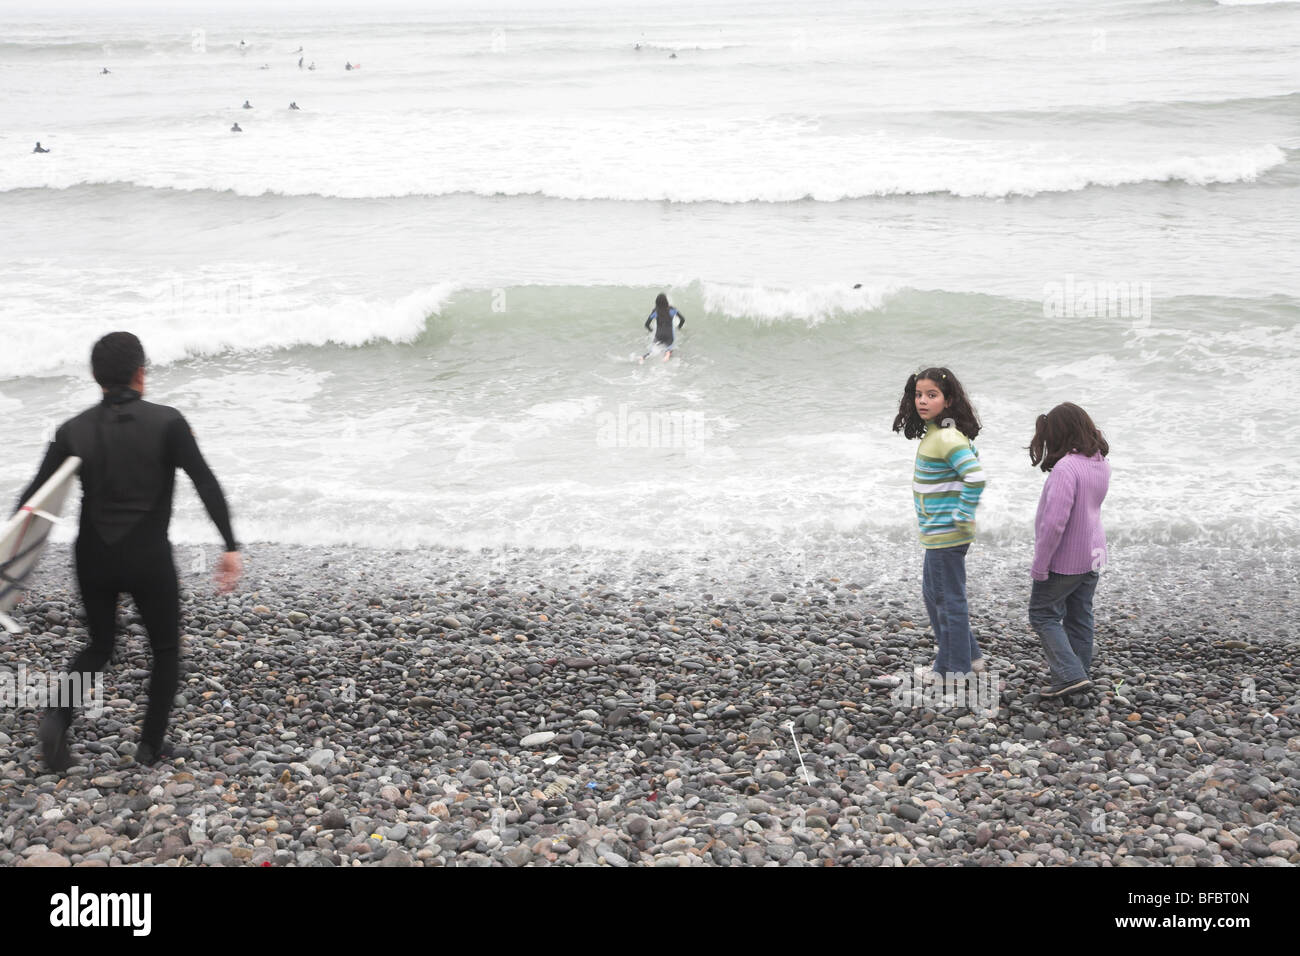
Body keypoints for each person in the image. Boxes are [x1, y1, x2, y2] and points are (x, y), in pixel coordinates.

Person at [17, 332, 242, 772]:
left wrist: (15, 569)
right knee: (165, 649)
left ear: (95, 377)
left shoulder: (72, 429)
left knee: (100, 643)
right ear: (141, 371)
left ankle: (57, 719)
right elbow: (205, 482)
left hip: (92, 555)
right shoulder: (169, 422)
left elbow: (33, 500)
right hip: (147, 556)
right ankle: (149, 748)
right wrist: (230, 546)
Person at [891, 367, 987, 677]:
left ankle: (953, 670)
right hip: (938, 534)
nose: (923, 401)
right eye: (919, 395)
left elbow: (975, 475)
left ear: (948, 400)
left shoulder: (946, 437)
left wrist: (963, 513)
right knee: (935, 596)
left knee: (948, 602)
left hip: (948, 534)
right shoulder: (938, 433)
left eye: (932, 395)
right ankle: (968, 656)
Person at [1027, 403, 1110, 699]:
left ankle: (1070, 674)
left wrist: (1041, 563)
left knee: (1042, 614)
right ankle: (1078, 678)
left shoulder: (1066, 468)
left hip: (1067, 558)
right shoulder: (1099, 462)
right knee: (1079, 615)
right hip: (1094, 552)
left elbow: (1054, 523)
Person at [640, 293, 685, 362]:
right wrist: (679, 327)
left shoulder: (655, 311)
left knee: (652, 351)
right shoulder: (672, 309)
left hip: (659, 334)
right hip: (669, 335)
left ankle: (643, 358)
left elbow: (647, 324)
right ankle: (667, 354)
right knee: (669, 348)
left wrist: (651, 331)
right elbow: (682, 319)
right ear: (666, 301)